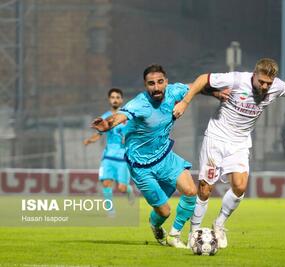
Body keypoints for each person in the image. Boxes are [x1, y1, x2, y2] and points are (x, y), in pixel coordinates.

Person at [173, 58, 285, 248]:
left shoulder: (277, 86)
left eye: (269, 83)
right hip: (217, 137)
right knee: (205, 187)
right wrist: (184, 102)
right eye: (261, 82)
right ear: (254, 75)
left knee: (240, 187)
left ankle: (219, 224)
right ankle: (195, 231)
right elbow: (202, 79)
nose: (265, 86)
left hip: (240, 142)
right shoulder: (236, 79)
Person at [91, 64, 227, 248]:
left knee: (191, 192)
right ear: (145, 85)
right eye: (151, 83)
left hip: (165, 157)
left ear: (166, 82)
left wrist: (216, 94)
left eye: (160, 82)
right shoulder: (140, 104)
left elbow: (196, 87)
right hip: (141, 167)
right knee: (164, 211)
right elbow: (120, 117)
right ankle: (155, 224)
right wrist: (107, 125)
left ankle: (174, 235)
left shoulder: (173, 92)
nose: (156, 87)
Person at [83, 88, 134, 216]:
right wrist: (90, 140)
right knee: (106, 183)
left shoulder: (126, 116)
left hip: (123, 157)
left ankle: (128, 190)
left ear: (121, 100)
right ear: (109, 100)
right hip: (108, 156)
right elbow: (99, 134)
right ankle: (110, 211)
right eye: (113, 97)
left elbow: (133, 133)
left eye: (117, 97)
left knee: (121, 188)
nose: (115, 99)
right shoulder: (105, 117)